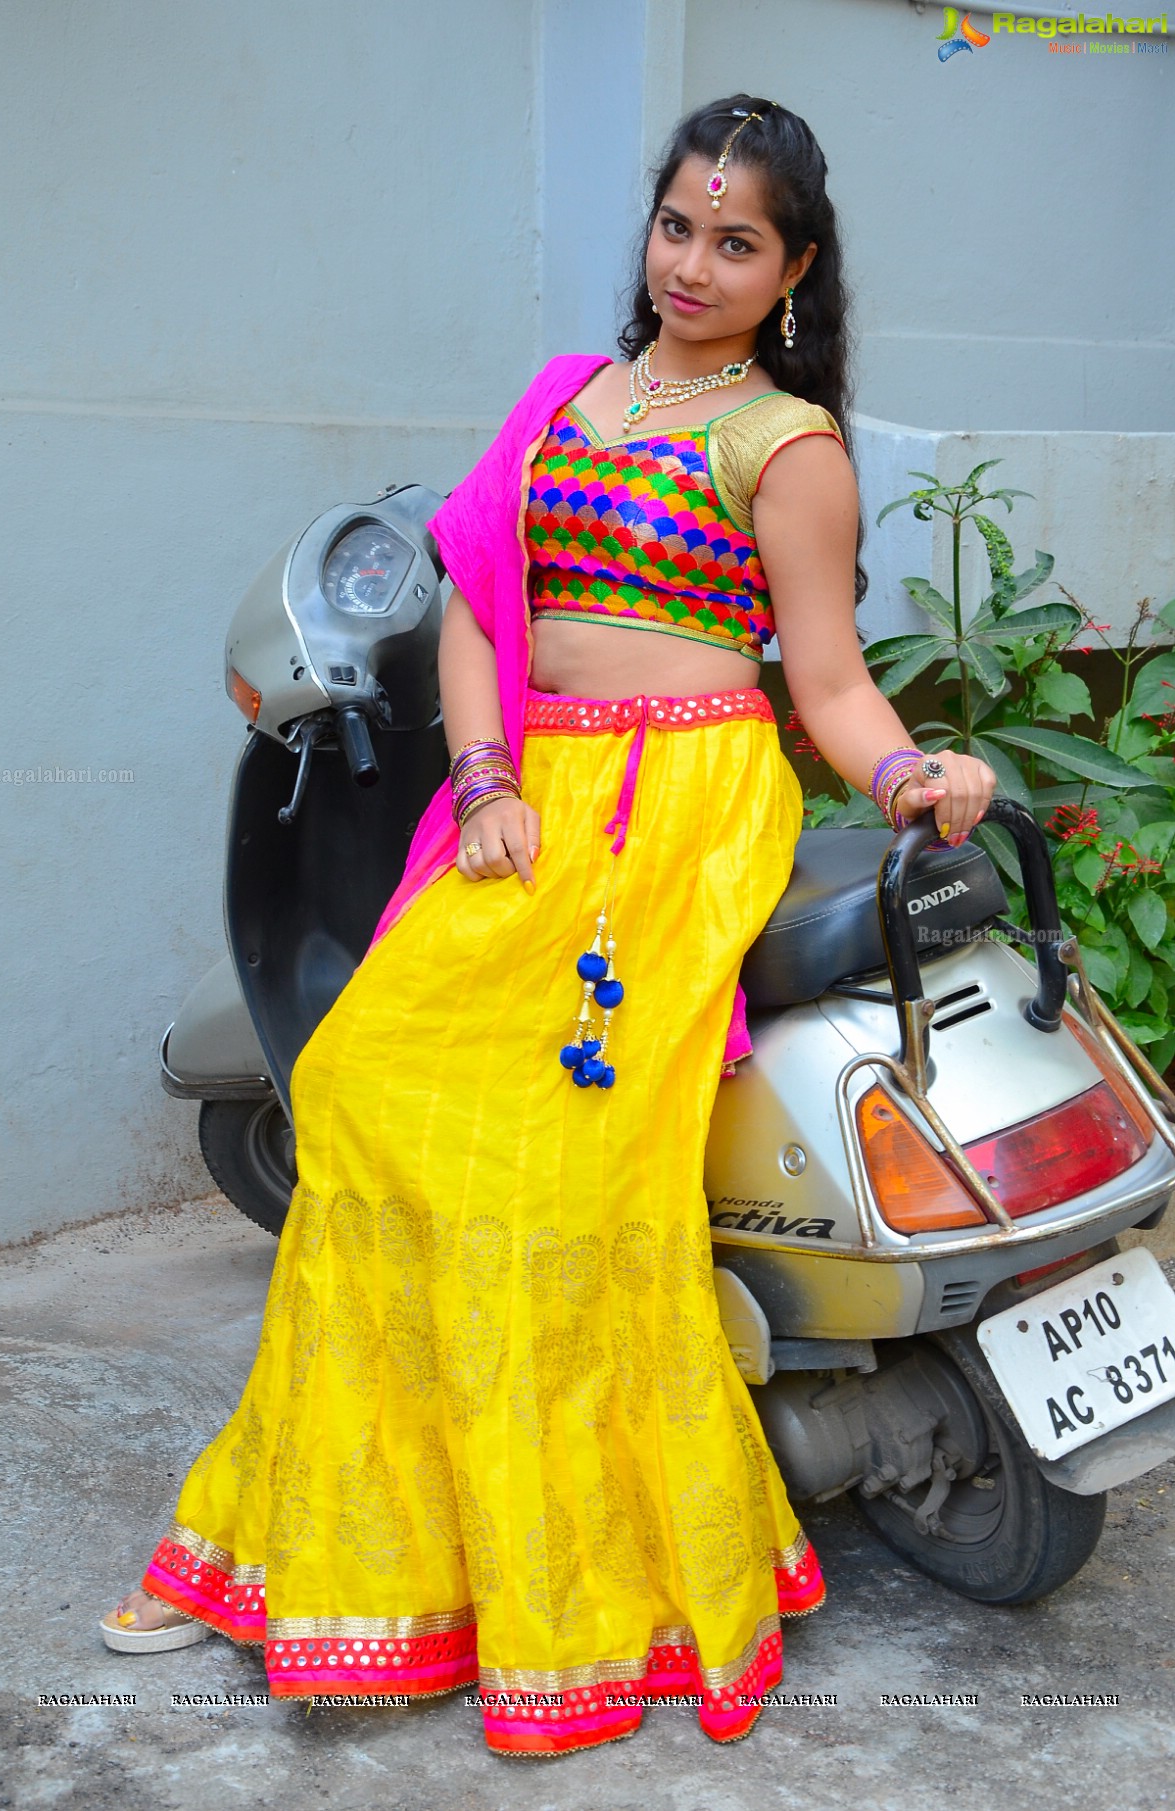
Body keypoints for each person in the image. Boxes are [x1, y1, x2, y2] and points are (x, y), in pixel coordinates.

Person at [101, 94, 996, 1755]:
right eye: (678, 226)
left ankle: (572, 1589)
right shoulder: (563, 404)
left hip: (681, 821)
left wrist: (908, 770)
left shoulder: (787, 447)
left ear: (792, 271)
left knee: (561, 1178)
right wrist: (491, 775)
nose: (695, 263)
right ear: (647, 231)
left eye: (737, 242)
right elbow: (468, 605)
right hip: (531, 807)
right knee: (364, 1095)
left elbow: (828, 682)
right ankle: (325, 1551)